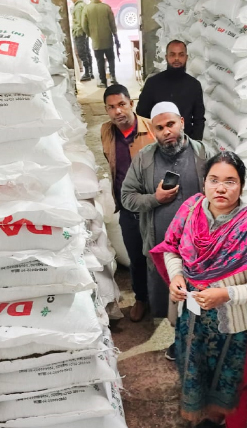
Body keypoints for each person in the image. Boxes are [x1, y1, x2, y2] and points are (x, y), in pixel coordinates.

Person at [149, 152, 247, 428]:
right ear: (204, 183)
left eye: (230, 181)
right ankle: (212, 418)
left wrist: (227, 294)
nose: (220, 188)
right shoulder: (190, 210)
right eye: (214, 180)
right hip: (194, 317)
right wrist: (176, 278)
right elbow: (172, 249)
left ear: (241, 186)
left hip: (235, 324)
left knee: (234, 383)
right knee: (197, 370)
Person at [120, 101, 215, 359]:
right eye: (159, 127)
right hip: (163, 249)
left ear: (182, 122)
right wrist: (155, 198)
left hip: (200, 248)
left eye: (171, 124)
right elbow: (127, 197)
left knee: (200, 298)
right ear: (152, 131)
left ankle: (198, 343)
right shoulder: (144, 159)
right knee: (172, 300)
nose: (166, 131)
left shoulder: (203, 153)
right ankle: (179, 340)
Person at [100, 84, 156, 322]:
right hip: (126, 207)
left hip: (154, 206)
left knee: (159, 256)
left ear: (131, 103)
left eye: (122, 104)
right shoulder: (106, 131)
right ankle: (141, 299)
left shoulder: (152, 128)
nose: (117, 111)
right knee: (135, 256)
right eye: (111, 107)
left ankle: (163, 300)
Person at [136, 40, 205, 140]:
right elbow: (142, 115)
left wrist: (195, 146)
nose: (176, 59)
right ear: (166, 57)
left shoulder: (194, 85)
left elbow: (199, 120)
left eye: (181, 55)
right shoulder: (153, 83)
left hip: (185, 143)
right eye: (172, 55)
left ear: (186, 57)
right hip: (158, 143)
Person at [81, 0, 119, 88]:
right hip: (107, 38)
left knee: (99, 60)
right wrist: (115, 34)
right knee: (111, 58)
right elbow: (112, 23)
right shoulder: (106, 7)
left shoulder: (86, 9)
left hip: (96, 40)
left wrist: (90, 34)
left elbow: (83, 25)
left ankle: (103, 81)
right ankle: (113, 77)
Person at [71, 0, 93, 82]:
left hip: (80, 33)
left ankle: (87, 72)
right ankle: (90, 72)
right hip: (84, 33)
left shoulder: (78, 7)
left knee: (82, 53)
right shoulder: (82, 5)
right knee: (86, 51)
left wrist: (77, 31)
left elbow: (80, 22)